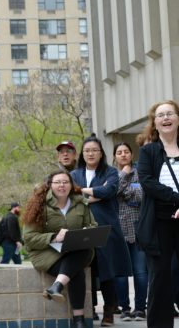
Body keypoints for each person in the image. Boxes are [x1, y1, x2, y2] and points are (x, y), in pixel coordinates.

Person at [71, 134, 131, 326]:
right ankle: (90, 311)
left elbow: (109, 191)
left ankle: (108, 311)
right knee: (86, 268)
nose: (90, 154)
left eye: (94, 150)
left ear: (101, 153)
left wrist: (83, 191)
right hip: (81, 227)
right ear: (82, 153)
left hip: (106, 226)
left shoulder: (111, 172)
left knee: (107, 271)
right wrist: (94, 192)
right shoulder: (74, 174)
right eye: (87, 150)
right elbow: (72, 195)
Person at [23, 170, 95, 328]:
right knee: (76, 272)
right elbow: (29, 238)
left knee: (84, 250)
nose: (62, 185)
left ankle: (57, 286)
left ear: (71, 185)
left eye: (65, 182)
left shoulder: (80, 203)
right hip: (46, 253)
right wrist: (54, 237)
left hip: (74, 250)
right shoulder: (39, 205)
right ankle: (79, 320)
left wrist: (85, 233)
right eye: (57, 182)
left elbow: (93, 226)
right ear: (49, 185)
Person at [136, 100, 179, 328]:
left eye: (170, 113)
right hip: (158, 222)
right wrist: (176, 199)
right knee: (160, 277)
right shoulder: (148, 151)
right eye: (160, 115)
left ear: (178, 118)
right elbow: (147, 182)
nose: (165, 118)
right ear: (155, 123)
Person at [112, 142, 147, 321]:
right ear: (115, 156)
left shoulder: (141, 172)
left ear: (131, 155)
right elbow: (112, 191)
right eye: (119, 152)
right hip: (118, 229)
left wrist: (123, 192)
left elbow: (141, 195)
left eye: (126, 151)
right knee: (120, 272)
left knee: (141, 270)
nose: (123, 155)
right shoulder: (112, 174)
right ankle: (124, 308)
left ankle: (140, 308)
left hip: (138, 226)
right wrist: (125, 176)